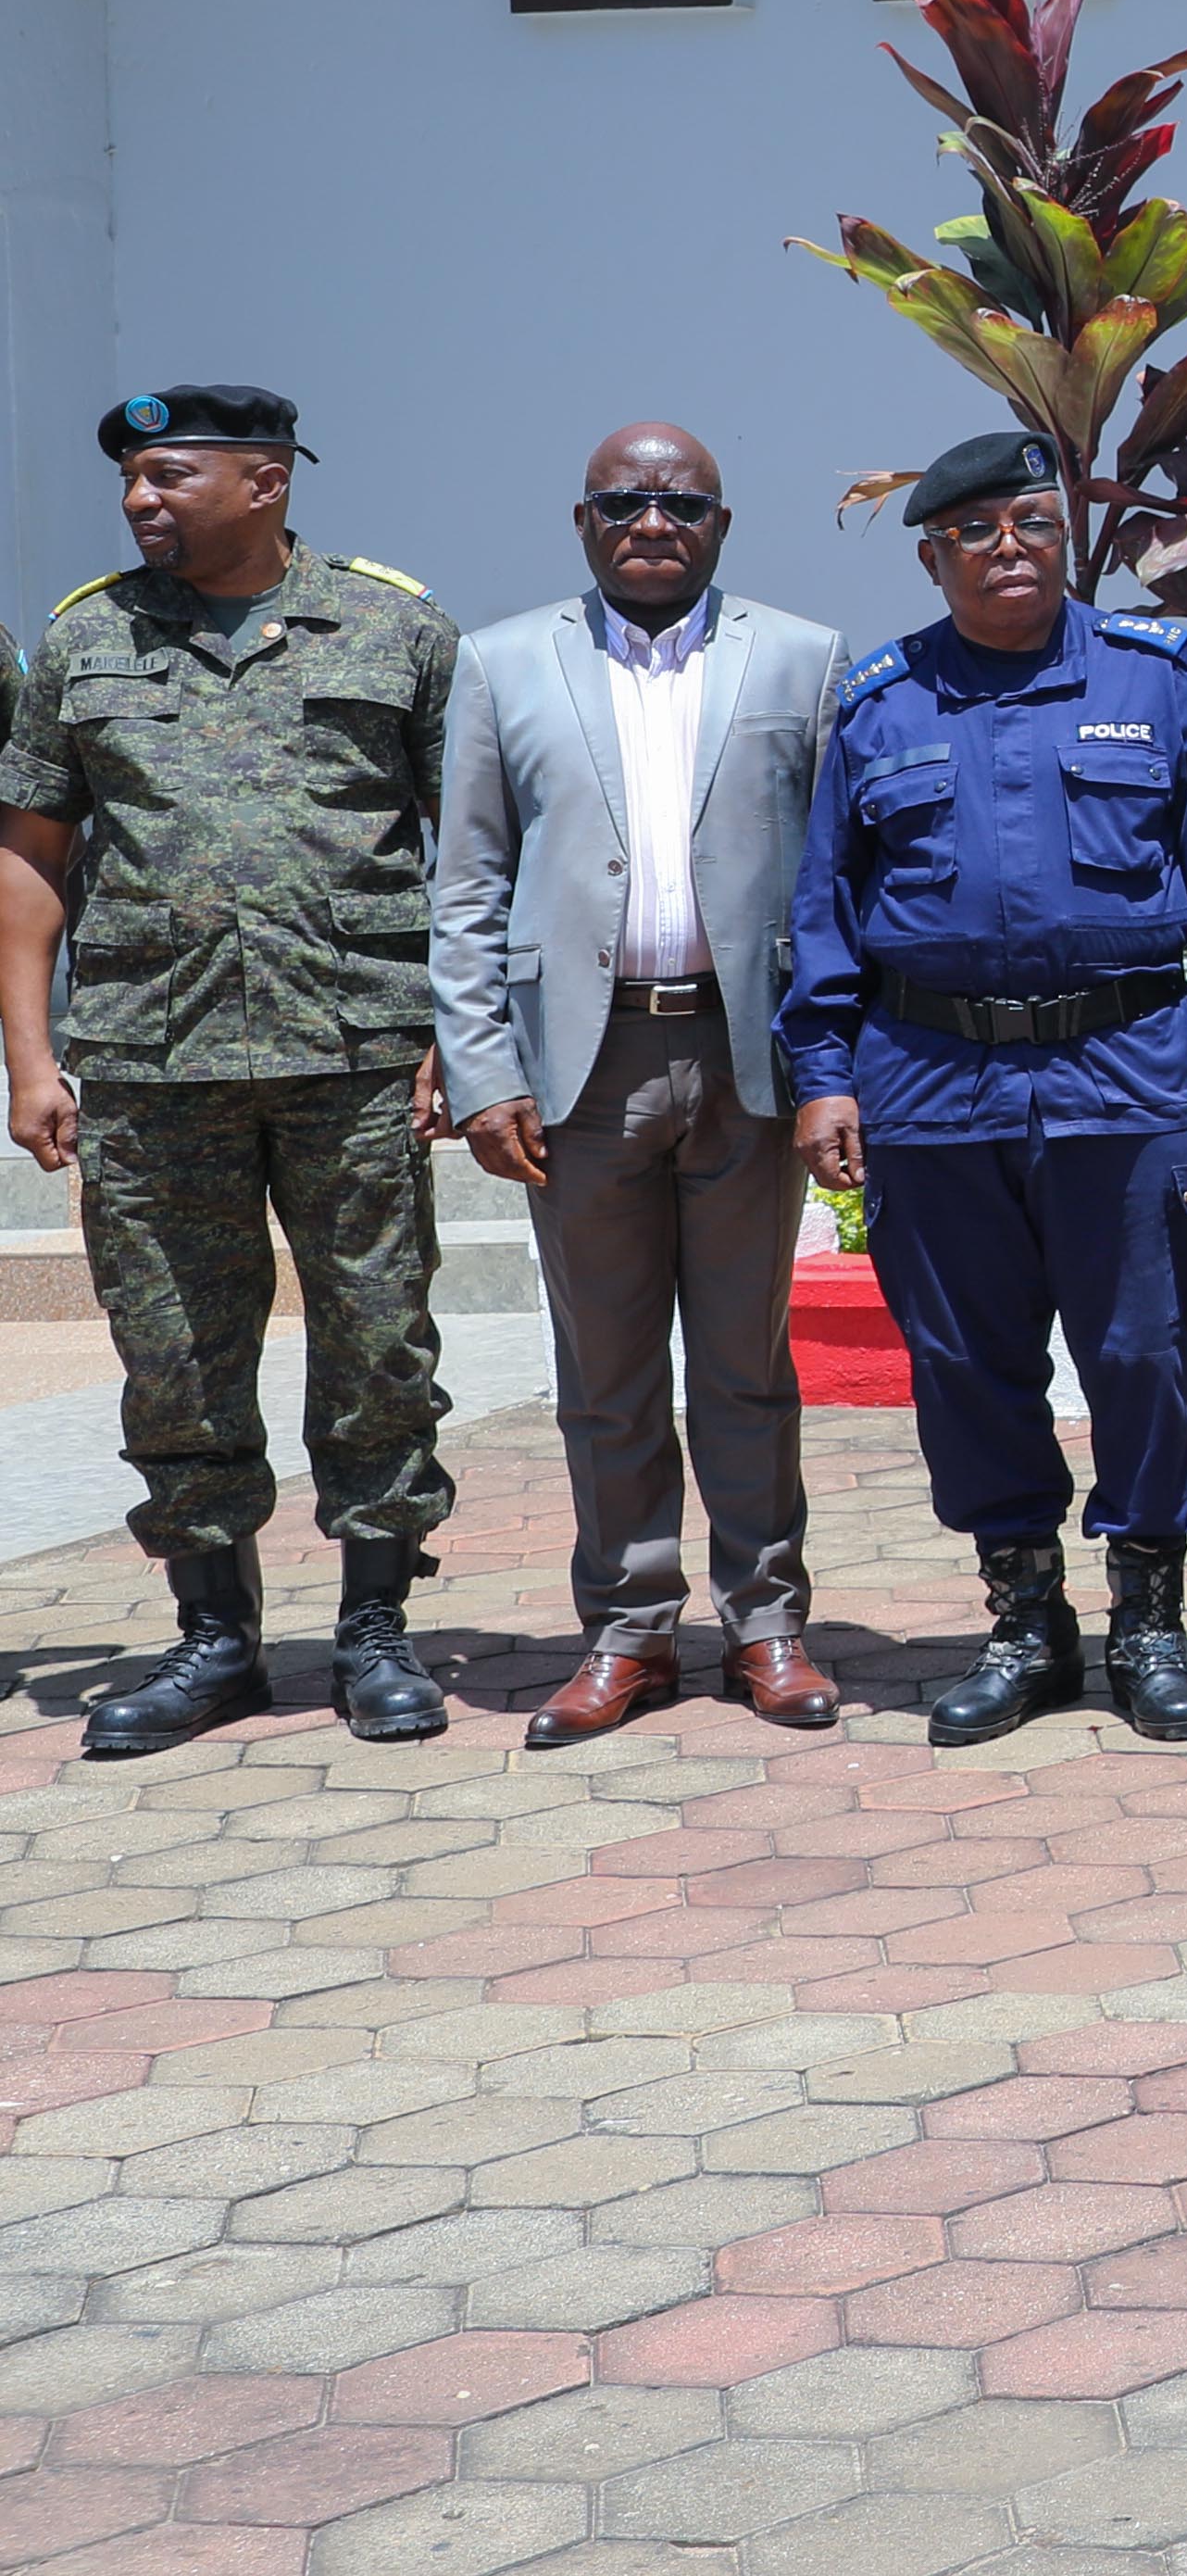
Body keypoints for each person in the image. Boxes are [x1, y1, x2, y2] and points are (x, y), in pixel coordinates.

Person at [0, 389, 468, 1757]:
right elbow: (31, 857)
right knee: (176, 1356)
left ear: (263, 482)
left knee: (381, 1342)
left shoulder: (395, 626)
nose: (142, 502)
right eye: (133, 483)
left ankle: (378, 1629)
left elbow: (471, 847)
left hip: (359, 1048)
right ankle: (216, 1636)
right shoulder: (85, 640)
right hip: (151, 1058)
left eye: (168, 476)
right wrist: (29, 1053)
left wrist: (460, 1027)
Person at [782, 434, 1187, 1745]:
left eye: (1035, 526)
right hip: (931, 1081)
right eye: (979, 532)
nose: (1011, 549)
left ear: (1065, 541)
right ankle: (1025, 1618)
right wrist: (823, 1074)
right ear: (933, 554)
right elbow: (822, 907)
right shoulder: (880, 702)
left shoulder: (1155, 681)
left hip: (1126, 1070)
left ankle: (1149, 1619)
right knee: (965, 1363)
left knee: (1143, 1353)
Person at [431, 426, 848, 1746]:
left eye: (680, 502)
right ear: (584, 520)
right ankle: (627, 1631)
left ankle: (768, 1625)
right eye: (626, 502)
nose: (651, 520)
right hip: (583, 1066)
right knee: (604, 1369)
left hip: (743, 1058)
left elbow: (838, 877)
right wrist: (485, 1063)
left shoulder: (800, 654)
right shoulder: (503, 662)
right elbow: (465, 881)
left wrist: (835, 1059)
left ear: (721, 524)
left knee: (746, 1362)